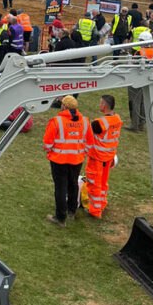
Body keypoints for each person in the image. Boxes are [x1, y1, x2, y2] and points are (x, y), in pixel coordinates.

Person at [43, 95, 93, 227]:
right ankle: (71, 212)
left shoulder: (57, 121)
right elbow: (90, 141)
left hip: (59, 160)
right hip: (77, 160)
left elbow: (47, 142)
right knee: (73, 184)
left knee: (60, 187)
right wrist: (83, 153)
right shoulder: (85, 121)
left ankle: (60, 218)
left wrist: (49, 152)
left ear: (64, 106)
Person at [84, 95, 122, 219]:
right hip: (108, 158)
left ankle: (95, 211)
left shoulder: (99, 123)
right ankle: (101, 204)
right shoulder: (117, 119)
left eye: (100, 103)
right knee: (103, 183)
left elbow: (87, 131)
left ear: (104, 106)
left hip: (97, 159)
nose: (99, 105)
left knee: (94, 184)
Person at [127, 31, 153, 132]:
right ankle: (142, 124)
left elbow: (134, 66)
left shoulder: (140, 52)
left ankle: (134, 125)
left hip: (137, 79)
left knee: (135, 102)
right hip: (148, 80)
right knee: (144, 102)